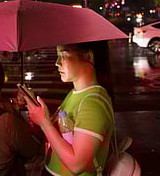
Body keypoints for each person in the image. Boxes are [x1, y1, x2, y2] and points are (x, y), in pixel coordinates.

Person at [21, 41, 114, 176]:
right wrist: (37, 110)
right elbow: (62, 134)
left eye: (63, 56)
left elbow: (77, 165)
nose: (57, 63)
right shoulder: (75, 93)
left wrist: (44, 123)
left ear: (88, 57)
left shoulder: (93, 103)